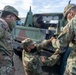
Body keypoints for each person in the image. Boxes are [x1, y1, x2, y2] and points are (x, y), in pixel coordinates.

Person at [50, 4, 76, 75]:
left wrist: (53, 41)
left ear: (70, 13)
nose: (67, 20)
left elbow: (61, 44)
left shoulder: (73, 22)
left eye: (66, 17)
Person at [0, 5, 20, 75]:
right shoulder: (2, 25)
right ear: (10, 17)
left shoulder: (5, 26)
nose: (15, 22)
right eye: (15, 19)